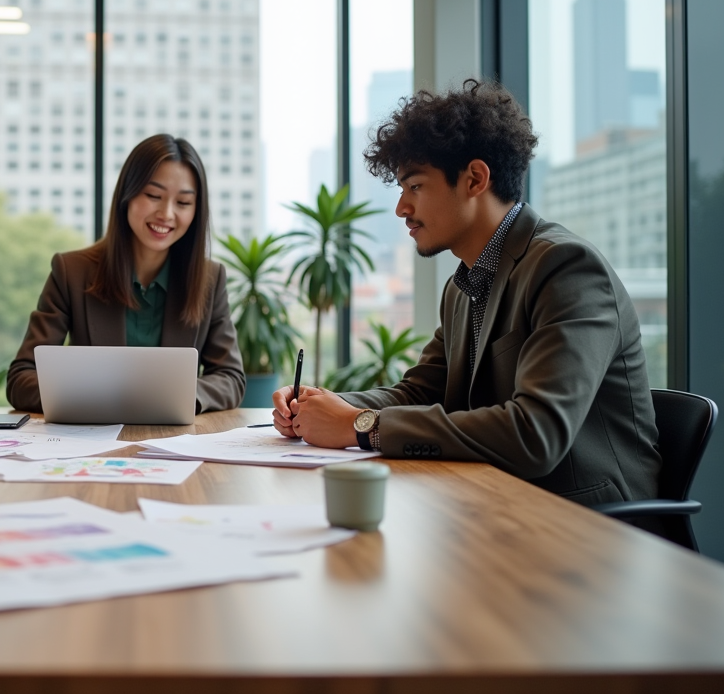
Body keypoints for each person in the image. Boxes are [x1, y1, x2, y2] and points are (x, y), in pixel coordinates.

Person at [273, 80, 660, 506]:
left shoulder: (565, 268)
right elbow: (419, 394)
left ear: (475, 179)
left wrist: (361, 425)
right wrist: (322, 406)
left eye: (415, 187)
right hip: (495, 503)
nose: (401, 208)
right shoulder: (463, 287)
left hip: (589, 521)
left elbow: (537, 434)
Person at [7, 134, 245, 414]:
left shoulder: (209, 280)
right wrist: (99, 396)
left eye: (183, 202)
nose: (166, 213)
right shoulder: (71, 272)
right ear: (127, 195)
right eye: (153, 196)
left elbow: (231, 378)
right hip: (92, 435)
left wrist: (179, 395)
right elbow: (21, 378)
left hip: (176, 435)